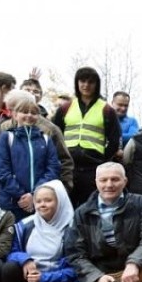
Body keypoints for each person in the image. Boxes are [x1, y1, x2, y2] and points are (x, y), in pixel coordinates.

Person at [0, 180, 78, 282]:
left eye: (48, 200)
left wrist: (44, 278)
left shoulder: (72, 229)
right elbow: (12, 252)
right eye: (38, 201)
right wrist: (25, 260)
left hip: (56, 281)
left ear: (60, 201)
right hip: (29, 277)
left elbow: (75, 269)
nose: (42, 205)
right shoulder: (25, 225)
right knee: (9, 268)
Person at [52, 67, 122, 207]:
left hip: (93, 168)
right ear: (77, 83)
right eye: (82, 81)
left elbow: (114, 140)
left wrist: (102, 159)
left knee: (90, 208)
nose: (86, 85)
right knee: (65, 206)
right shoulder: (65, 108)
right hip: (68, 167)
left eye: (91, 82)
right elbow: (54, 134)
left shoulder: (107, 109)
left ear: (96, 85)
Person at [0, 97, 61, 221]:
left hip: (39, 203)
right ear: (15, 114)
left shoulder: (45, 140)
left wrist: (35, 194)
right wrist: (21, 195)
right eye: (24, 112)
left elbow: (53, 169)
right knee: (12, 238)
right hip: (11, 203)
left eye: (34, 113)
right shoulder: (6, 137)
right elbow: (1, 171)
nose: (29, 115)